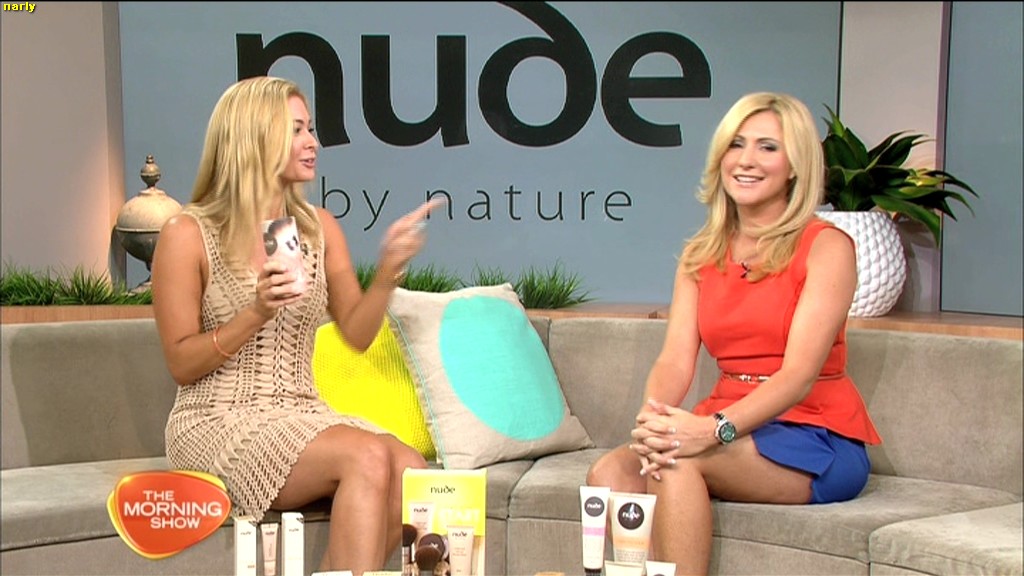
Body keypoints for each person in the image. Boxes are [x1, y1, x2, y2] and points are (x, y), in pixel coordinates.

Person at [151, 76, 444, 575]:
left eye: (311, 129)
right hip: (216, 419)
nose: (313, 142)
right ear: (254, 137)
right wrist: (256, 312)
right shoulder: (188, 233)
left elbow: (357, 334)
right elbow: (181, 362)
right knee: (367, 456)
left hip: (302, 411)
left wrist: (388, 272)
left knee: (413, 469)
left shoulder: (314, 227)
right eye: (296, 130)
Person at [586, 92, 882, 575]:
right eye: (736, 144)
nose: (746, 160)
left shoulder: (827, 247)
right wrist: (654, 418)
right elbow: (675, 360)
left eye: (768, 147)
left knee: (676, 460)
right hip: (725, 422)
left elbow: (798, 376)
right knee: (609, 471)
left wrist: (710, 429)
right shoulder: (700, 254)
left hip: (812, 432)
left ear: (795, 166)